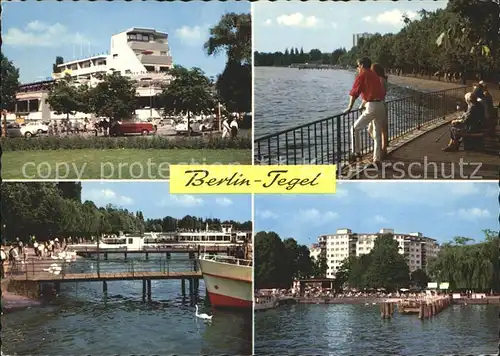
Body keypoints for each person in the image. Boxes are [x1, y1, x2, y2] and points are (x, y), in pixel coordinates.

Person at [344, 57, 386, 164]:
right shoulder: (374, 75)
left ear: (362, 65)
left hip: (371, 106)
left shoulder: (362, 75)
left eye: (358, 65)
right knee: (377, 135)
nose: (357, 68)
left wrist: (349, 107)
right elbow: (374, 90)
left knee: (354, 128)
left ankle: (356, 152)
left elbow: (354, 93)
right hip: (381, 105)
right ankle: (377, 159)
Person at [366, 63, 389, 158]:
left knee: (373, 129)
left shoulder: (379, 80)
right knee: (382, 129)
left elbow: (379, 93)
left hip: (378, 104)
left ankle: (381, 149)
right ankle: (382, 148)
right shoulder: (382, 79)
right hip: (382, 105)